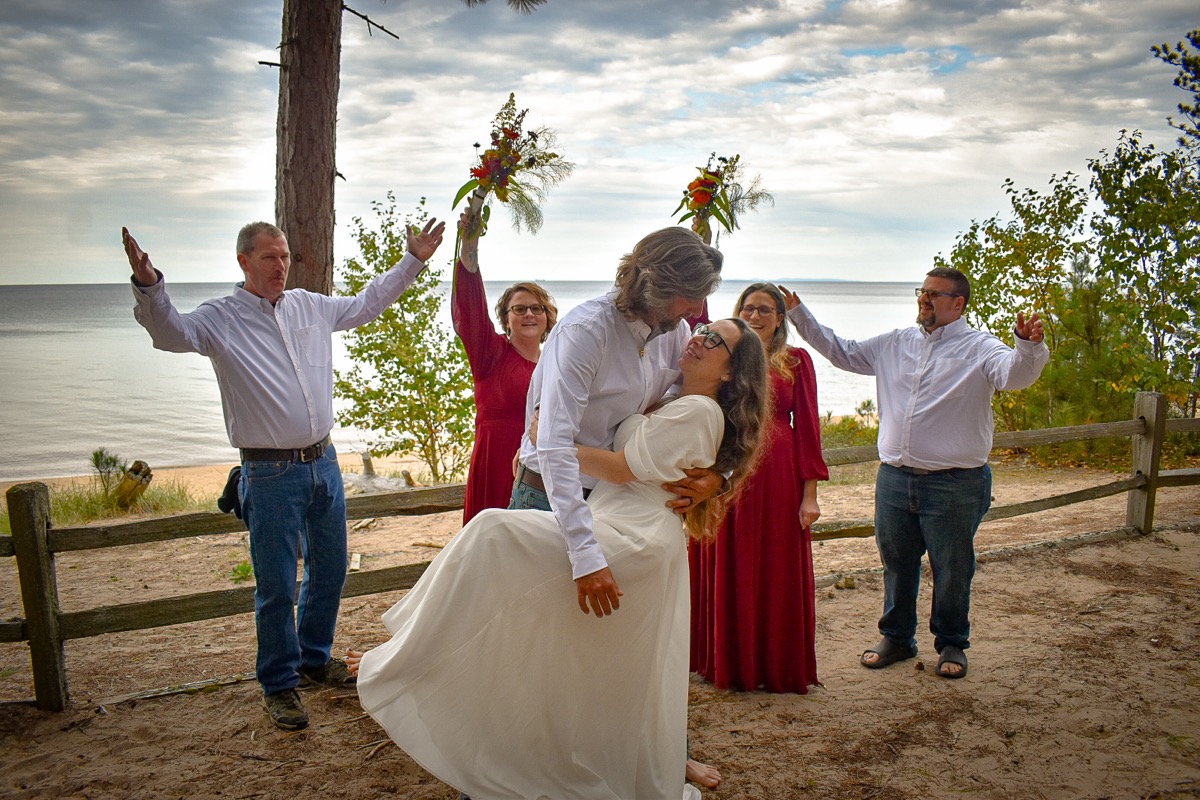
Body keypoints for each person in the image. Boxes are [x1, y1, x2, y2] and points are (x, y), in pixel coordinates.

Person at [350, 318, 769, 800]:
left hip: (632, 537)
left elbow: (620, 467)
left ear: (732, 372)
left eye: (714, 340)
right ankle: (438, 673)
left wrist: (549, 441)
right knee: (575, 651)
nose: (697, 337)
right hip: (610, 519)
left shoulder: (697, 410)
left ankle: (408, 654)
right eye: (701, 329)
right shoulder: (672, 391)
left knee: (491, 531)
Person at [121, 218, 446, 730]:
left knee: (331, 570)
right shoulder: (220, 318)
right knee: (276, 586)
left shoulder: (309, 307)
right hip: (269, 473)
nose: (281, 266)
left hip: (324, 462)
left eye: (286, 256)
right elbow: (169, 333)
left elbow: (368, 303)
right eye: (270, 257)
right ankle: (279, 683)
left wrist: (415, 259)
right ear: (244, 261)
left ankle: (314, 659)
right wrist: (149, 286)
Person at [780, 267, 1049, 679]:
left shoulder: (981, 348)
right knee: (897, 563)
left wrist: (1028, 346)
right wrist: (800, 314)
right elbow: (842, 351)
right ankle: (898, 639)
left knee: (952, 567)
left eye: (934, 294)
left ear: (958, 304)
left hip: (955, 483)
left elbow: (1016, 375)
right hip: (894, 479)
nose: (924, 300)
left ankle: (953, 643)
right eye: (922, 292)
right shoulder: (895, 343)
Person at [689, 283, 828, 693]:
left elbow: (808, 429)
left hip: (778, 475)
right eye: (748, 308)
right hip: (728, 466)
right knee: (724, 555)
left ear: (780, 318)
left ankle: (773, 664)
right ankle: (723, 662)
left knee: (774, 563)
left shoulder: (796, 361)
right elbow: (696, 336)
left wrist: (810, 495)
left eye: (765, 309)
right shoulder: (725, 357)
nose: (755, 315)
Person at [452, 205, 557, 523]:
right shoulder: (490, 353)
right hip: (496, 463)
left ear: (548, 317)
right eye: (519, 308)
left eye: (536, 308)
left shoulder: (555, 361)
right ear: (506, 319)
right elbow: (469, 306)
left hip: (542, 470)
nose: (529, 314)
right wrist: (469, 246)